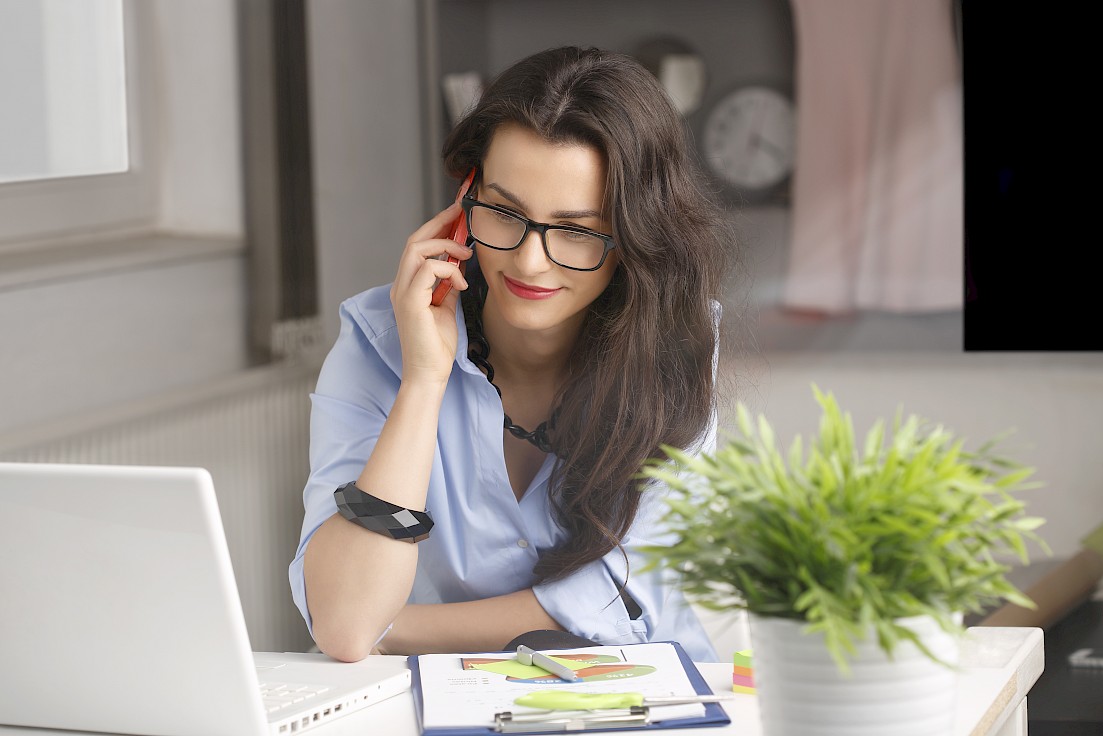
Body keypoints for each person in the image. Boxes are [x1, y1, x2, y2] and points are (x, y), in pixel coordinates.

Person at [290, 45, 735, 663]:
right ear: (463, 201)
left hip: (638, 704)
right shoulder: (377, 340)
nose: (529, 261)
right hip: (426, 710)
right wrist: (423, 378)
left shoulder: (679, 348)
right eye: (503, 212)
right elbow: (343, 628)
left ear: (635, 234)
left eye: (576, 230)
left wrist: (388, 627)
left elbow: (620, 604)